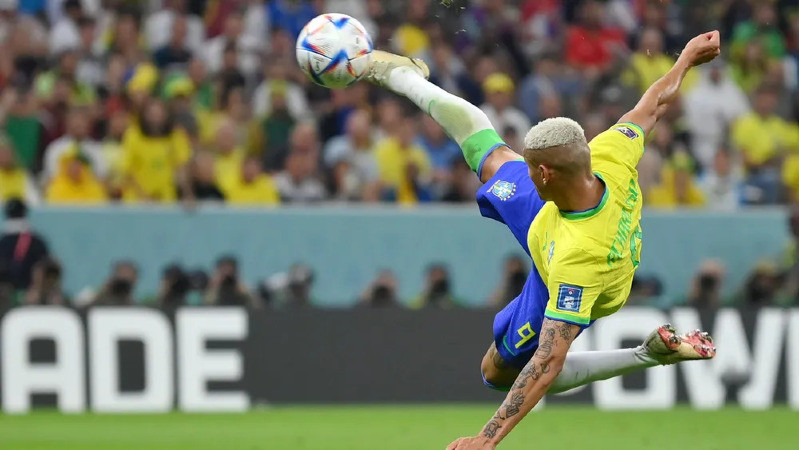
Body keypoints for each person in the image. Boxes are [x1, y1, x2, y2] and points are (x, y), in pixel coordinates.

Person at [358, 30, 721, 449]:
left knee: (497, 372)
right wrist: (686, 60)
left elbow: (548, 364)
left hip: (568, 266)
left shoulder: (577, 264)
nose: (523, 166)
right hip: (556, 212)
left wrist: (486, 439)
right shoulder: (608, 154)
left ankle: (646, 355)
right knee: (491, 156)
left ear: (545, 172)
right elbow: (653, 104)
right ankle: (405, 78)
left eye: (529, 165)